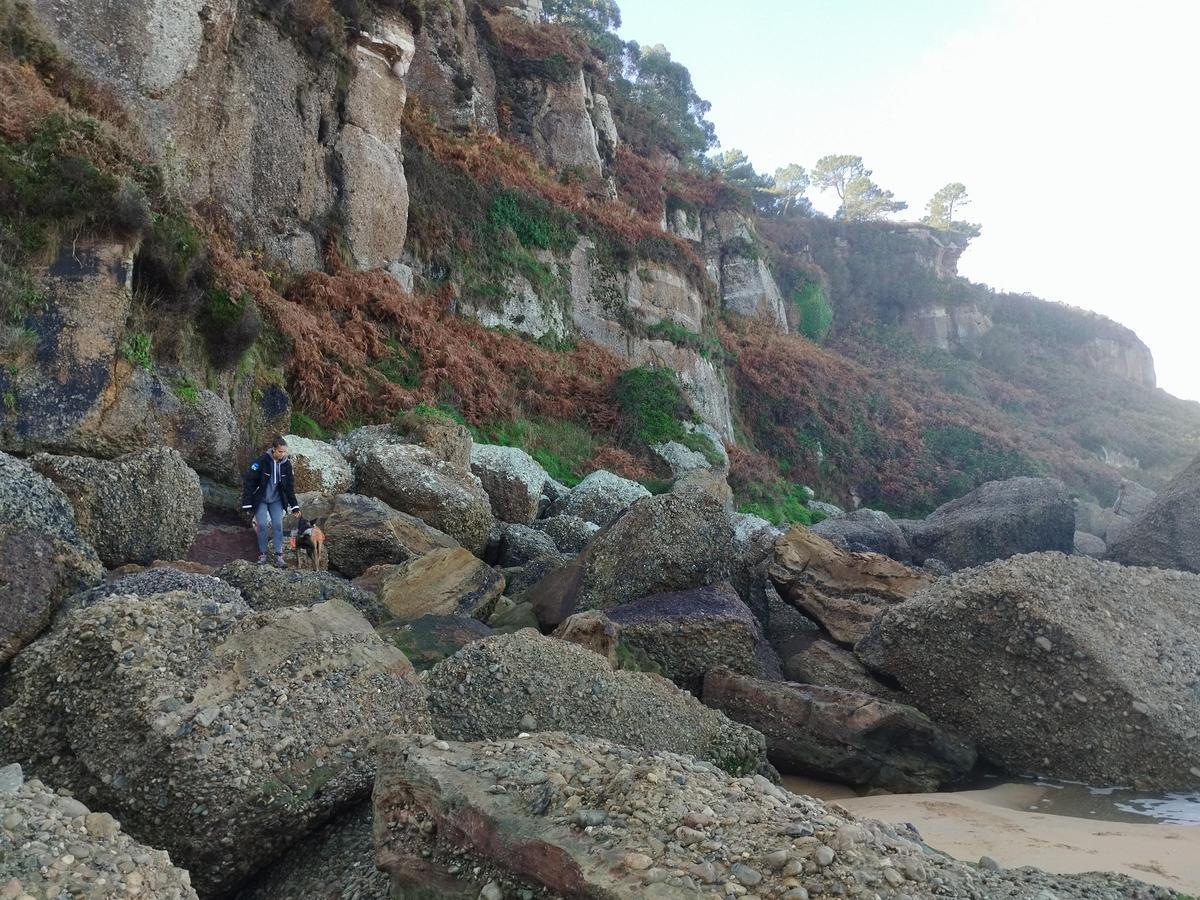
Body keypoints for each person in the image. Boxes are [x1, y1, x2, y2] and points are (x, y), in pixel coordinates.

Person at [241, 436, 300, 567]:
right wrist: (247, 504)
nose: (282, 454)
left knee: (278, 525)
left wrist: (294, 506)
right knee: (262, 525)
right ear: (273, 449)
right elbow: (249, 482)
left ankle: (279, 556)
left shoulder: (286, 465)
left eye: (284, 452)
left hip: (277, 500)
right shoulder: (261, 461)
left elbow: (289, 487)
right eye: (280, 451)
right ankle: (263, 555)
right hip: (261, 499)